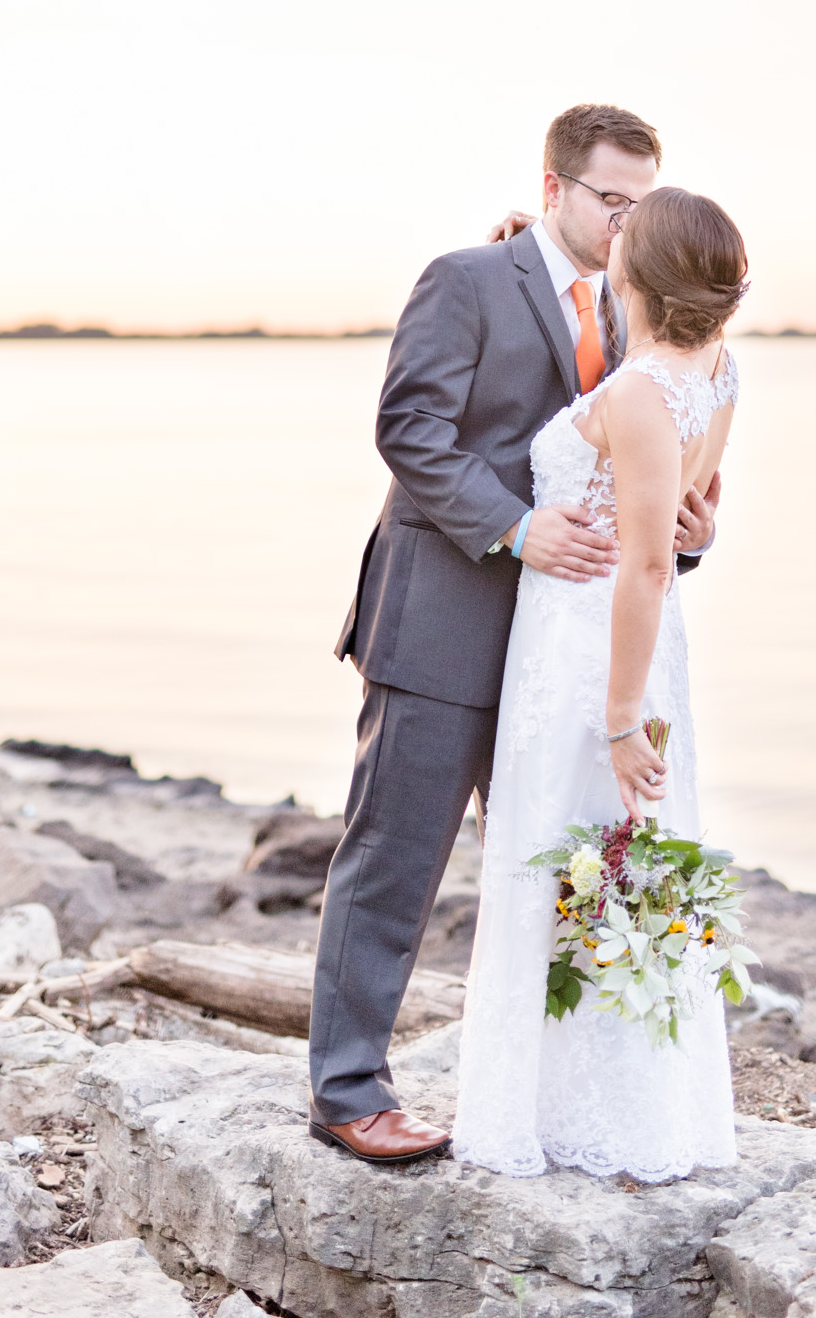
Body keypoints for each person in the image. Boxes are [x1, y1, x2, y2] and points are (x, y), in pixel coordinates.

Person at [307, 104, 718, 1164]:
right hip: (442, 619)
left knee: (571, 867)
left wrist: (691, 527)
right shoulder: (468, 277)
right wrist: (514, 524)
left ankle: (551, 1098)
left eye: (640, 200)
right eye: (607, 198)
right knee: (391, 863)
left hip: (566, 646)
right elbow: (409, 428)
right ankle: (348, 1089)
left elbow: (644, 459)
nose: (627, 220)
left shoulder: (637, 317)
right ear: (553, 187)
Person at [451, 185, 748, 1180]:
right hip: (637, 649)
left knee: (564, 855)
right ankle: (635, 1103)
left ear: (636, 274)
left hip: (590, 658)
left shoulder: (633, 393)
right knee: (621, 862)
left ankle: (553, 1107)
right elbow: (688, 517)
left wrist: (621, 720)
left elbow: (649, 561)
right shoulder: (715, 376)